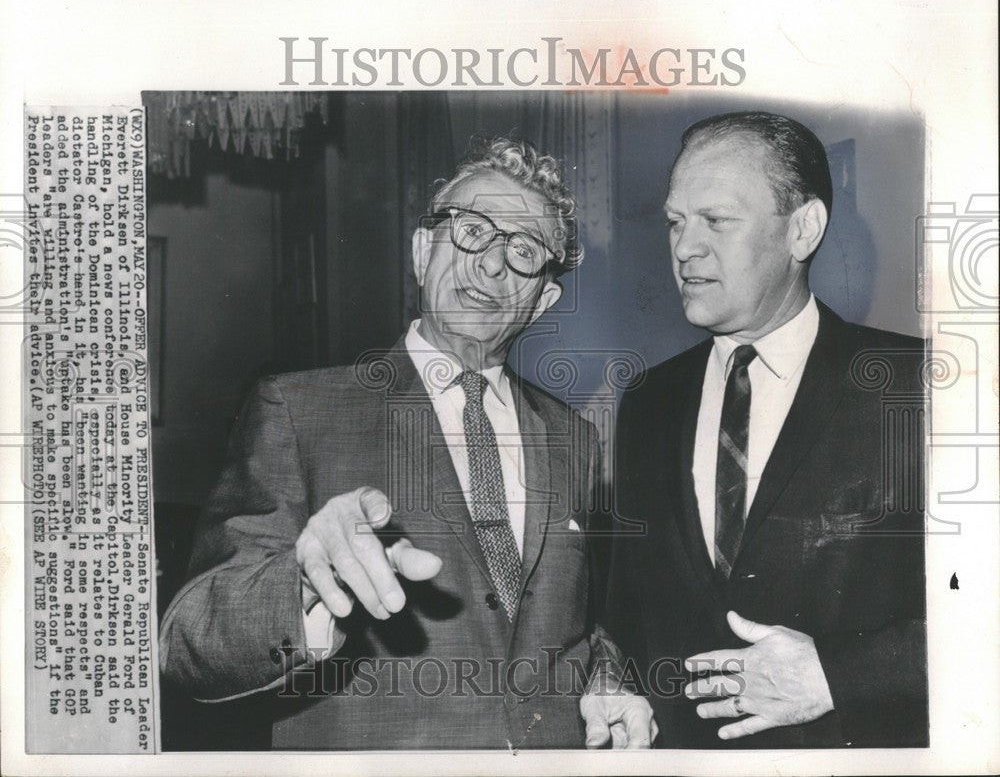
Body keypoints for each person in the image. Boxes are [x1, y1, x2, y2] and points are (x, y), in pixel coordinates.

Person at [159, 136, 654, 749]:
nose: (492, 265)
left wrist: (607, 677)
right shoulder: (298, 410)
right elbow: (184, 643)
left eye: (524, 251)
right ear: (424, 252)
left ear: (544, 299)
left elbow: (568, 622)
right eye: (472, 230)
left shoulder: (574, 437)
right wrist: (306, 580)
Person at [605, 111, 927, 748]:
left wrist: (837, 675)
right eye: (676, 221)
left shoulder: (918, 386)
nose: (685, 247)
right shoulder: (648, 400)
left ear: (802, 229)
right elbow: (626, 613)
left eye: (717, 221)